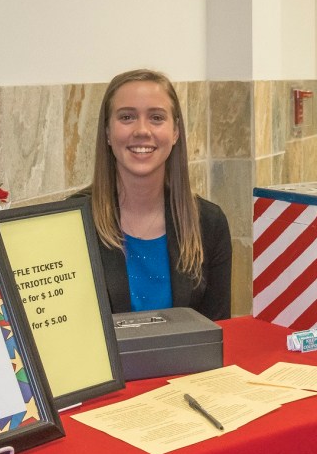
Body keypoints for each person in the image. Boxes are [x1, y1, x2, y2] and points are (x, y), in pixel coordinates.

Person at [77, 69, 232, 321]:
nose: (142, 130)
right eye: (126, 117)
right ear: (107, 132)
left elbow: (217, 333)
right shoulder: (74, 221)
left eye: (156, 118)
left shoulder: (209, 222)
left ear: (175, 132)